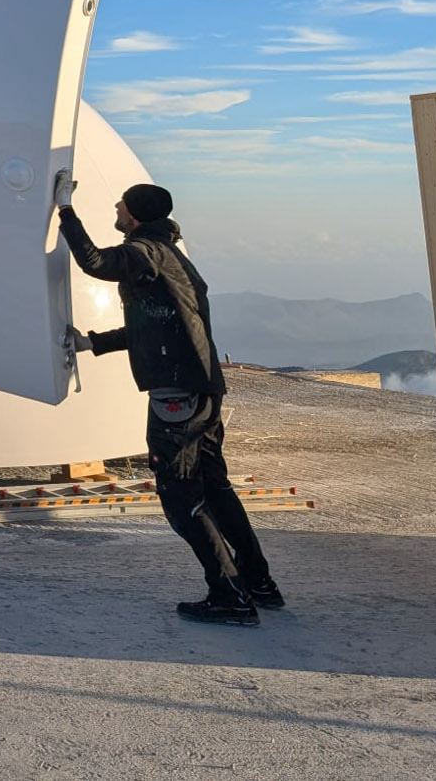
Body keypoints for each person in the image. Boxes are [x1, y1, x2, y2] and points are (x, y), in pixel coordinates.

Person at [59, 182, 283, 626]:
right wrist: (93, 343)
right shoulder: (170, 257)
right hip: (201, 388)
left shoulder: (145, 252)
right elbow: (157, 325)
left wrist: (65, 208)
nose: (116, 206)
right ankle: (258, 582)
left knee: (181, 497)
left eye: (122, 203)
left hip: (177, 394)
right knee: (214, 489)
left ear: (135, 214)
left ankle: (230, 597)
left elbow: (95, 262)